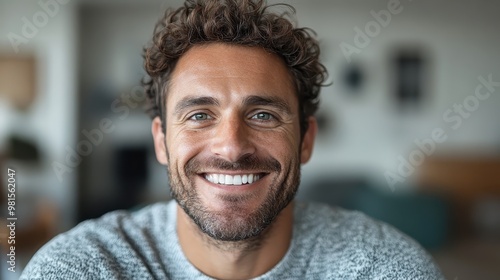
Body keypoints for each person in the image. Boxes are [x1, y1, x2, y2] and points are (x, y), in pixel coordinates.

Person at [21, 0, 444, 279]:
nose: (231, 147)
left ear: (305, 140)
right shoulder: (81, 267)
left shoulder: (384, 268)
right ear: (162, 142)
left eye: (262, 114)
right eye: (200, 115)